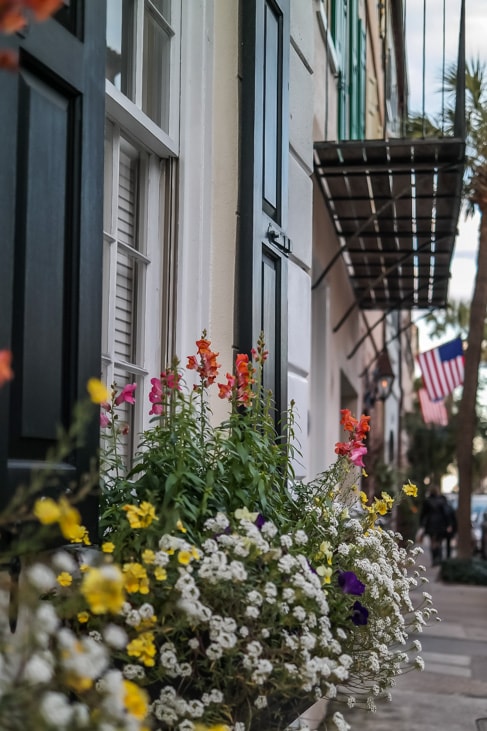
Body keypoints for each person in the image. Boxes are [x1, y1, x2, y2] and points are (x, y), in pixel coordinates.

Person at [419, 486, 450, 566]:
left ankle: (434, 558)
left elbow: (423, 514)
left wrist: (422, 524)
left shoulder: (427, 501)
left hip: (430, 524)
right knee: (439, 542)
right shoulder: (442, 500)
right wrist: (448, 524)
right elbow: (446, 513)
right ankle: (439, 558)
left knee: (432, 542)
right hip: (441, 524)